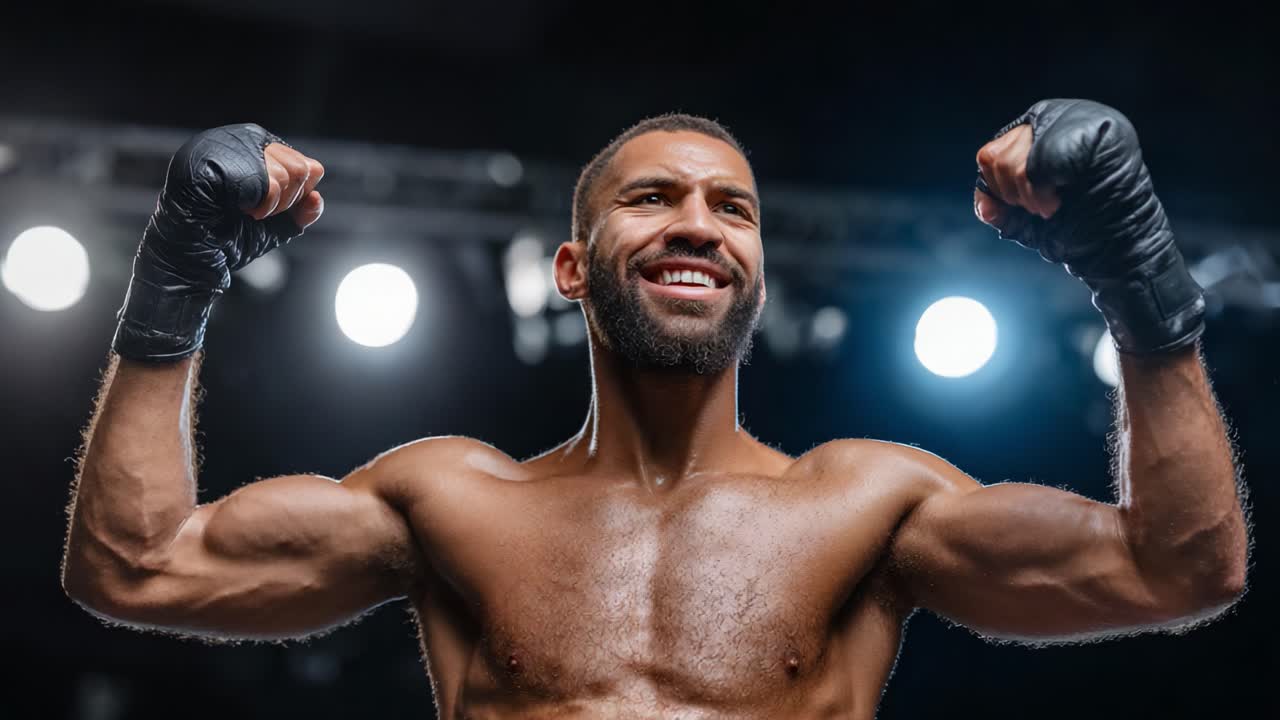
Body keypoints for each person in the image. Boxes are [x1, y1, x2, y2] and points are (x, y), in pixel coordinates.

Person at [62, 100, 1249, 718]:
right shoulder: (448, 498)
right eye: (651, 198)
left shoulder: (868, 503)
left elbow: (1181, 568)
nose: (695, 222)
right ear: (574, 268)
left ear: (755, 272)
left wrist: (1138, 283)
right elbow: (136, 564)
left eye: (730, 209)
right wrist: (175, 277)